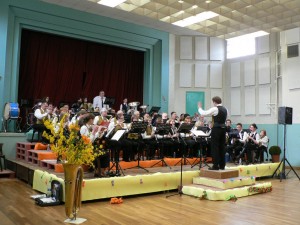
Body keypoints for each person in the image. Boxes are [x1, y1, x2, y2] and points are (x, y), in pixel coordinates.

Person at [197, 96, 227, 170]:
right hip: (223, 129)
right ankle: (222, 165)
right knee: (222, 147)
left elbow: (204, 113)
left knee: (215, 147)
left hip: (216, 129)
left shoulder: (215, 108)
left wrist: (199, 107)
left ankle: (215, 165)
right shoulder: (225, 109)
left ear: (214, 102)